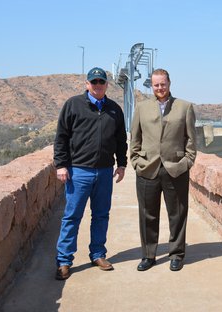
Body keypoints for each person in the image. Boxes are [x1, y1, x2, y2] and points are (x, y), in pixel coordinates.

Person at [53, 67, 128, 280]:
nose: (97, 85)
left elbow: (120, 140)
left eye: (101, 82)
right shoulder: (73, 105)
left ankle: (98, 254)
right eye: (93, 82)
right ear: (87, 84)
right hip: (78, 171)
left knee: (101, 215)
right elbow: (61, 137)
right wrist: (61, 165)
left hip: (105, 172)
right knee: (72, 217)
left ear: (106, 85)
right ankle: (64, 261)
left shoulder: (114, 109)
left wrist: (121, 164)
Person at [130, 68, 196, 272]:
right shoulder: (141, 108)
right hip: (147, 169)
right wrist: (136, 162)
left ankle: (176, 254)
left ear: (169, 83)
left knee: (177, 214)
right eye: (156, 84)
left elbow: (191, 141)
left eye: (163, 84)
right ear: (152, 85)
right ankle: (148, 255)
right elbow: (135, 139)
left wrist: (186, 163)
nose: (160, 88)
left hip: (175, 170)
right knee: (147, 215)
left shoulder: (185, 107)